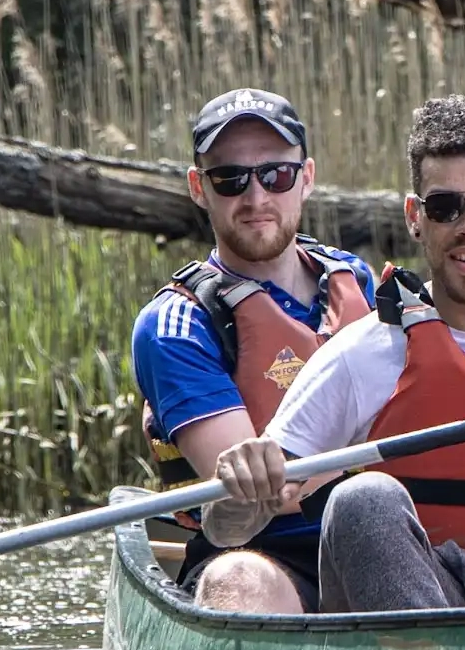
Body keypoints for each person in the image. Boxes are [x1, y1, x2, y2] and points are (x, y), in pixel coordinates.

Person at [207, 91, 465, 612]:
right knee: (361, 500)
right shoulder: (363, 354)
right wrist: (240, 489)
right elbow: (230, 526)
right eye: (445, 207)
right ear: (415, 217)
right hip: (429, 610)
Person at [130, 87, 376, 614]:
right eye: (231, 179)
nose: (257, 197)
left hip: (374, 529)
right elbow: (267, 497)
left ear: (306, 178)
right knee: (240, 579)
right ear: (199, 188)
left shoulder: (355, 279)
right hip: (263, 550)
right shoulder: (175, 323)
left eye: (276, 175)